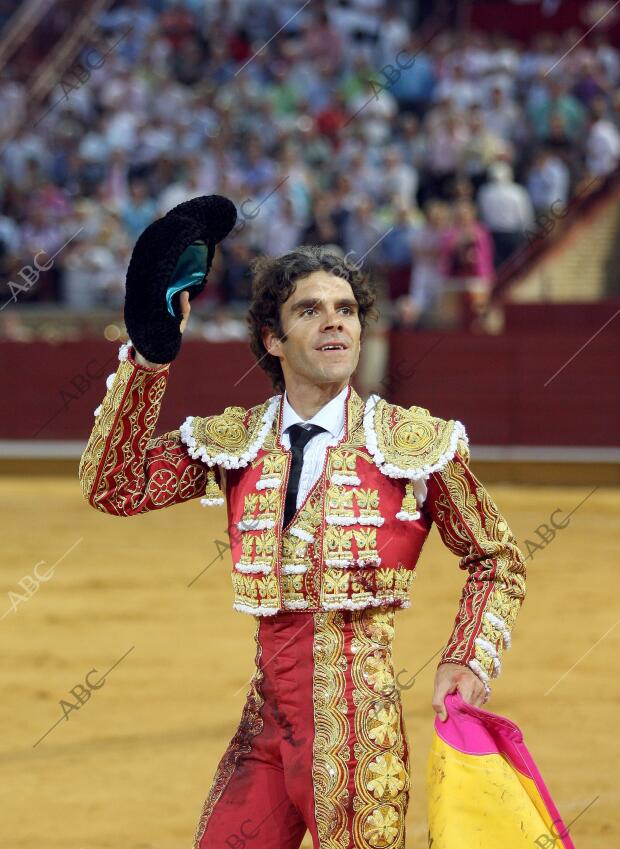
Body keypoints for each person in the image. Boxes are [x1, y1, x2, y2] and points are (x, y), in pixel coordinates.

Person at [78, 242, 526, 849]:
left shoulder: (412, 441)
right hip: (265, 725)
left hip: (358, 729)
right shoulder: (236, 439)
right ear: (273, 339)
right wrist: (150, 358)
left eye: (346, 309)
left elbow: (495, 557)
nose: (334, 320)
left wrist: (468, 655)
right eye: (310, 310)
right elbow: (115, 485)